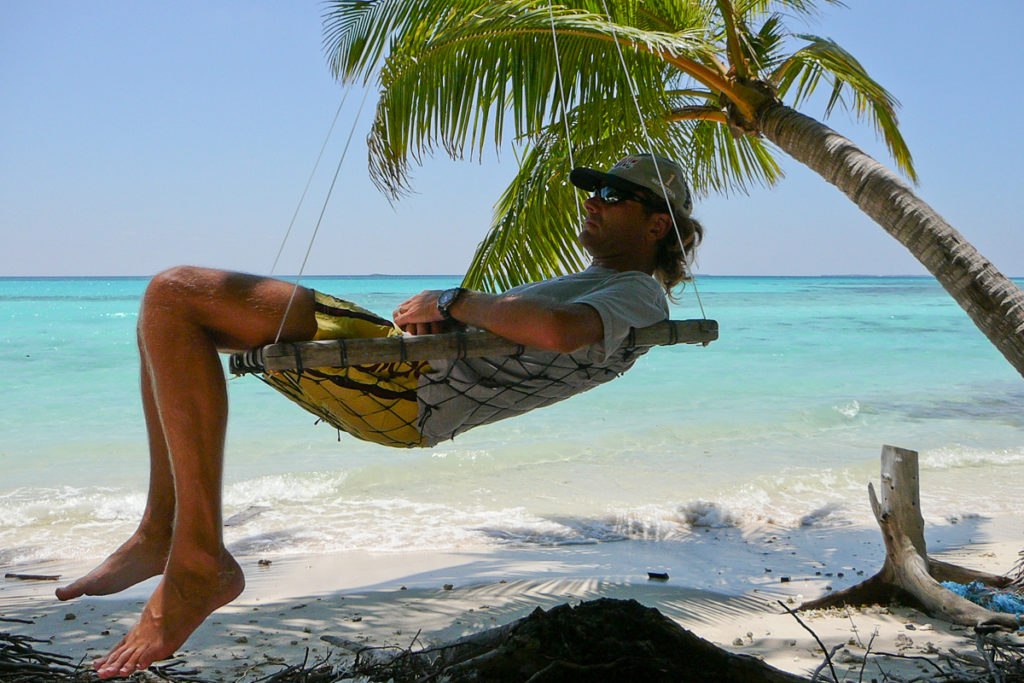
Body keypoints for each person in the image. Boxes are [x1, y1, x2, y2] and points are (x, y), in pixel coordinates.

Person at [55, 153, 704, 678]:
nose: (593, 201)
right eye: (593, 190)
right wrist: (452, 313)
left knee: (174, 295)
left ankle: (195, 558)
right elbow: (542, 327)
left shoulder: (638, 293)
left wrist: (457, 301)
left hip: (406, 385)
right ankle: (164, 529)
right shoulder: (600, 281)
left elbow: (562, 331)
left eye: (614, 194)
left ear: (657, 226)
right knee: (163, 318)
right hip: (402, 382)